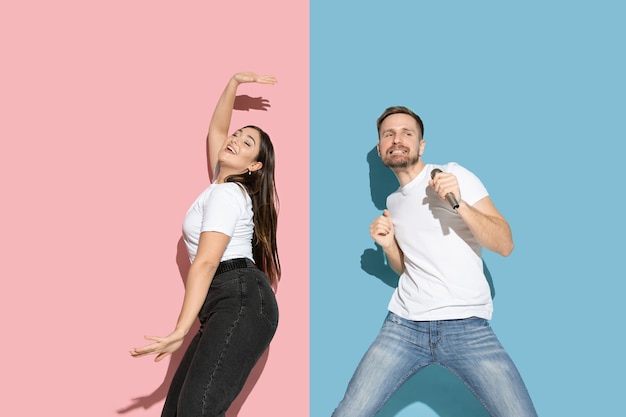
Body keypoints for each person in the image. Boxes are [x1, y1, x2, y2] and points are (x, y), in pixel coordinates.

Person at [332, 106, 537, 417]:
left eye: (406, 133)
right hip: (403, 326)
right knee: (349, 413)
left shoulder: (454, 175)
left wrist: (459, 204)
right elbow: (406, 268)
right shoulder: (393, 202)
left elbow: (505, 243)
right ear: (380, 148)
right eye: (389, 134)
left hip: (468, 326)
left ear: (421, 145)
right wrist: (389, 246)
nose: (396, 139)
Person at [130, 72, 281, 417]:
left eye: (246, 144)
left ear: (254, 166)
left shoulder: (228, 194)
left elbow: (206, 262)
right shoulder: (220, 182)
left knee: (197, 408)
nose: (234, 140)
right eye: (237, 135)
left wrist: (181, 329)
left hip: (239, 296)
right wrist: (234, 83)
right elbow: (216, 131)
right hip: (227, 300)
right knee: (178, 411)